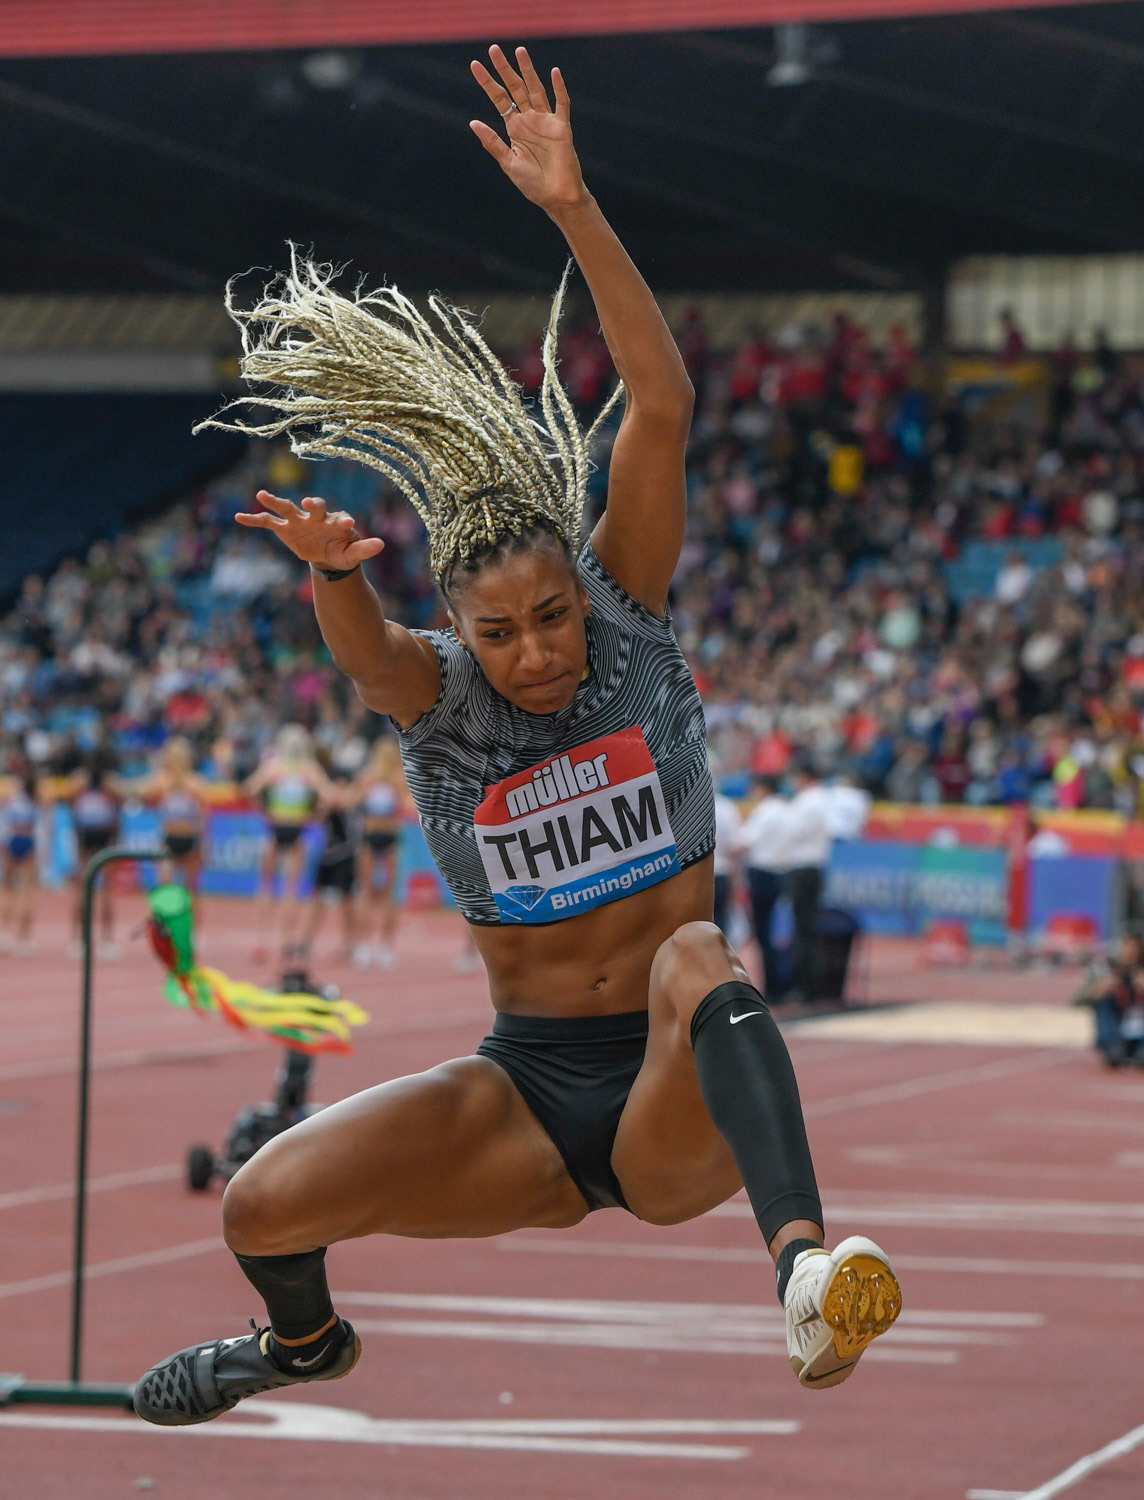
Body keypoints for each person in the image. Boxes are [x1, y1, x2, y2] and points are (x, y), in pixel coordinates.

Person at [134, 44, 900, 1429]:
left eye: (551, 618)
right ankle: (300, 1351)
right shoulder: (439, 698)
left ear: (580, 588)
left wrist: (574, 211)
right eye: (505, 636)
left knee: (694, 951)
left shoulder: (630, 612)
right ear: (465, 635)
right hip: (522, 1093)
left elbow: (659, 407)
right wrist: (329, 570)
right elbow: (364, 648)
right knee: (263, 1200)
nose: (539, 653)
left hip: (675, 1095)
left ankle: (802, 1270)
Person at [244, 725, 332, 962]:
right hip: (296, 826)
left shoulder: (275, 766)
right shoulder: (307, 768)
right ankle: (286, 941)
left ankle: (261, 939)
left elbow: (250, 788)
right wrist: (313, 816)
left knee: (266, 884)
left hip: (277, 825)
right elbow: (328, 795)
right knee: (290, 887)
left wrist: (264, 811)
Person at [132, 737, 212, 908]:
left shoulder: (194, 783)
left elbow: (204, 816)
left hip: (188, 839)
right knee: (173, 889)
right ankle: (173, 929)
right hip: (170, 838)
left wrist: (204, 843)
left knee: (190, 890)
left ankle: (191, 931)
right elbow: (143, 794)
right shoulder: (164, 781)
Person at [350, 736, 408, 968]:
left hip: (373, 834)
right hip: (387, 835)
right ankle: (382, 946)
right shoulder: (393, 778)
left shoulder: (372, 778)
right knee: (387, 893)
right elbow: (405, 805)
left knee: (367, 891)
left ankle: (367, 945)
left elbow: (354, 801)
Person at [734, 774, 793, 999]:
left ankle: (773, 987)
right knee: (781, 931)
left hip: (763, 874)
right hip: (783, 873)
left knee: (764, 932)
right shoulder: (787, 809)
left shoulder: (765, 811)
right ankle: (783, 983)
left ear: (762, 788)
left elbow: (743, 843)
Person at [63, 751, 121, 958]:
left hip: (95, 835)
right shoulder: (99, 781)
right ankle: (90, 940)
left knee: (92, 889)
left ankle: (88, 940)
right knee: (94, 890)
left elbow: (118, 805)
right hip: (93, 835)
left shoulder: (95, 781)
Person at [299, 766, 360, 964]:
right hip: (327, 854)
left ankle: (350, 943)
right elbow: (316, 811)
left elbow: (341, 802)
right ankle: (306, 942)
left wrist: (328, 792)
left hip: (345, 853)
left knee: (347, 902)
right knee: (316, 899)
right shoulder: (325, 797)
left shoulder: (350, 796)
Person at [785, 760, 832, 1003]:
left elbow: (792, 833)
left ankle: (806, 986)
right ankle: (811, 985)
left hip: (803, 868)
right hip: (812, 868)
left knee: (803, 929)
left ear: (803, 777)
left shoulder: (807, 801)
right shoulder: (821, 799)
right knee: (808, 927)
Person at [1079, 932, 1144, 1067]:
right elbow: (1077, 1000)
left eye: (1134, 948)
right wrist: (1099, 989)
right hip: (1118, 1031)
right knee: (1103, 1001)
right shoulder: (1107, 969)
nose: (1130, 952)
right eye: (1126, 947)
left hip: (1139, 1034)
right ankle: (1113, 1047)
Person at [0, 767, 40, 956]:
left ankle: (4, 933)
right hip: (27, 840)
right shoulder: (36, 799)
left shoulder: (10, 797)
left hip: (12, 838)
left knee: (7, 888)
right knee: (26, 890)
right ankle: (23, 938)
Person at [711, 780, 742, 937]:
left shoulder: (689, 805)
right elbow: (734, 847)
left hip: (699, 874)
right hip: (722, 872)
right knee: (721, 925)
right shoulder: (727, 807)